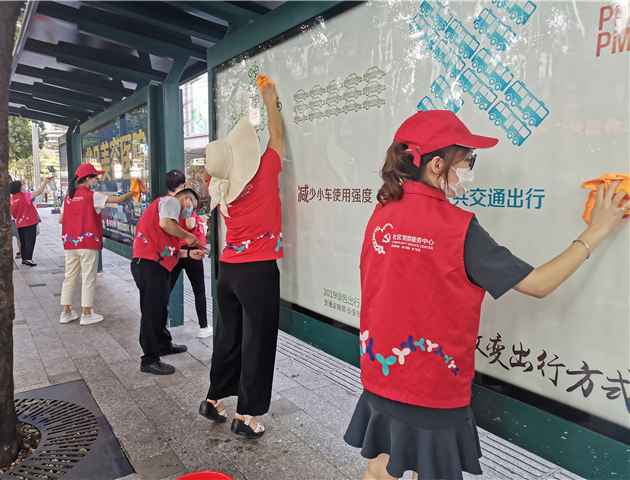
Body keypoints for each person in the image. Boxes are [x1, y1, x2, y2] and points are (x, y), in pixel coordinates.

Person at [343, 110, 630, 480]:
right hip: (432, 387)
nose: (468, 170)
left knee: (380, 466)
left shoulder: (382, 213)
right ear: (436, 165)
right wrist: (597, 229)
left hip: (381, 372)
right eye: (467, 161)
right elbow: (539, 284)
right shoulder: (458, 228)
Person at [199, 79, 284, 438]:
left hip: (228, 271)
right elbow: (277, 138)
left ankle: (214, 399)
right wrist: (270, 101)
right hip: (257, 272)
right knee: (258, 342)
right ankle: (246, 415)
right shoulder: (263, 172)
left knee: (228, 337)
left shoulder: (219, 187)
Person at [131, 186, 205, 375]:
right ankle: (149, 359)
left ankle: (163, 344)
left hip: (155, 264)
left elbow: (167, 248)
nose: (191, 211)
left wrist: (189, 253)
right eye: (193, 206)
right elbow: (165, 224)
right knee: (151, 311)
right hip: (149, 264)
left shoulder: (167, 210)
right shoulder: (170, 201)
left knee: (160, 307)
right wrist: (188, 236)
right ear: (186, 198)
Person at [58, 163, 135, 325]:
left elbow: (61, 219)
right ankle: (86, 314)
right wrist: (135, 190)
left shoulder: (68, 197)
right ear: (87, 179)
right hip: (88, 243)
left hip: (71, 244)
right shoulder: (92, 196)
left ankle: (66, 312)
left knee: (69, 278)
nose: (96, 181)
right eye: (94, 178)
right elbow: (119, 199)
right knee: (88, 278)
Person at [165, 169, 213, 339]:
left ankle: (159, 324)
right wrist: (198, 217)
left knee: (166, 290)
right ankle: (203, 327)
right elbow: (191, 224)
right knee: (199, 290)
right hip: (191, 251)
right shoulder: (185, 200)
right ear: (183, 185)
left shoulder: (165, 202)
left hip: (173, 251)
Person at [9, 177, 51, 266]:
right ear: (19, 188)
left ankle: (24, 258)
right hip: (29, 222)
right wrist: (45, 183)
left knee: (23, 241)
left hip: (19, 223)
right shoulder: (25, 196)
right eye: (21, 186)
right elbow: (39, 191)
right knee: (30, 240)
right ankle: (28, 259)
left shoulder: (11, 200)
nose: (22, 187)